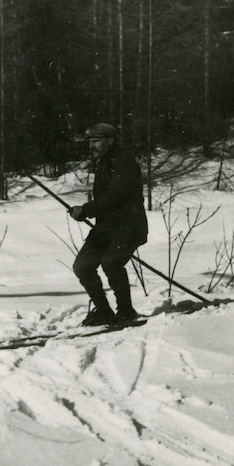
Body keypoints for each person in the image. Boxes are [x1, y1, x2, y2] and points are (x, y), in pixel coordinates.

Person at [68, 123, 148, 326]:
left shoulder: (125, 161)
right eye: (90, 142)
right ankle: (103, 311)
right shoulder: (103, 163)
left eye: (95, 141)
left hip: (129, 226)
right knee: (82, 266)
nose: (91, 146)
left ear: (109, 141)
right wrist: (84, 211)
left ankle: (126, 312)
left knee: (111, 262)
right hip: (106, 228)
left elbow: (116, 195)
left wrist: (86, 210)